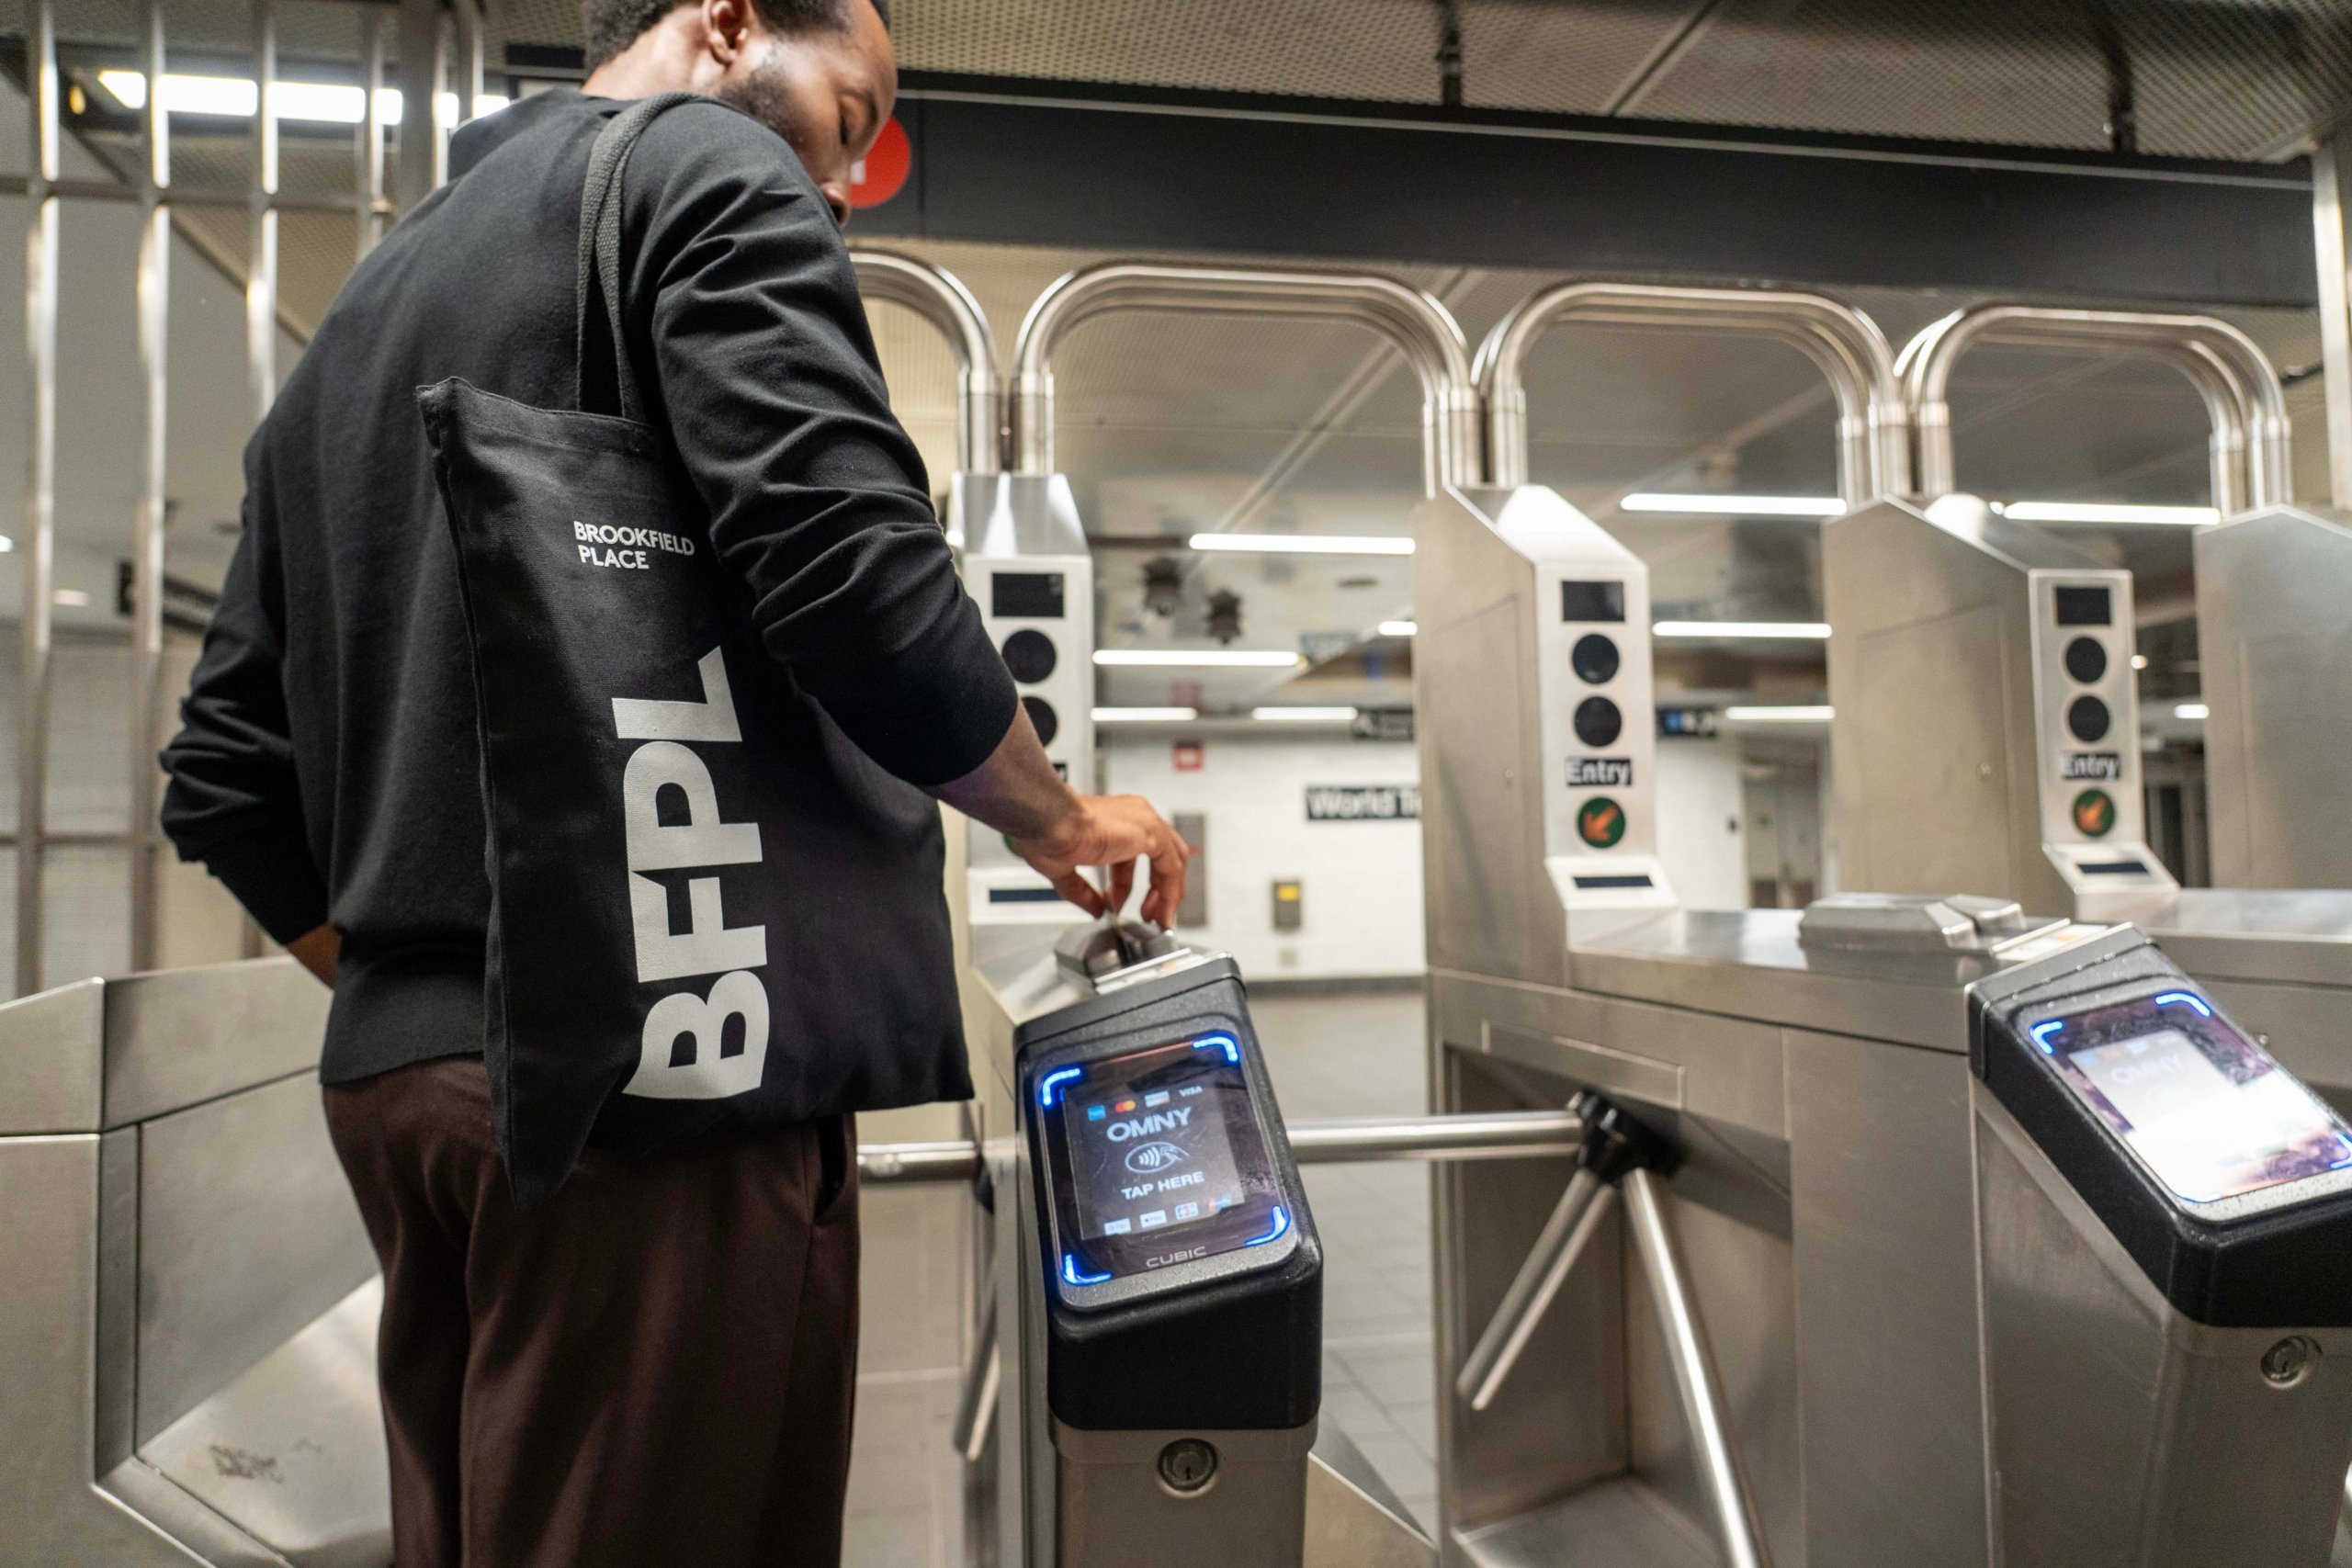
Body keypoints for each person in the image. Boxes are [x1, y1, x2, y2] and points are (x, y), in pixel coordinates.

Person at [156, 0, 1189, 1562]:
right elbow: (847, 564)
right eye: (851, 121)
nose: (842, 185)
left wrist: (451, 994)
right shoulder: (701, 170)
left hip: (403, 1099)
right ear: (725, 26)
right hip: (663, 1080)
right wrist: (1055, 816)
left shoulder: (359, 318)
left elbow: (227, 775)